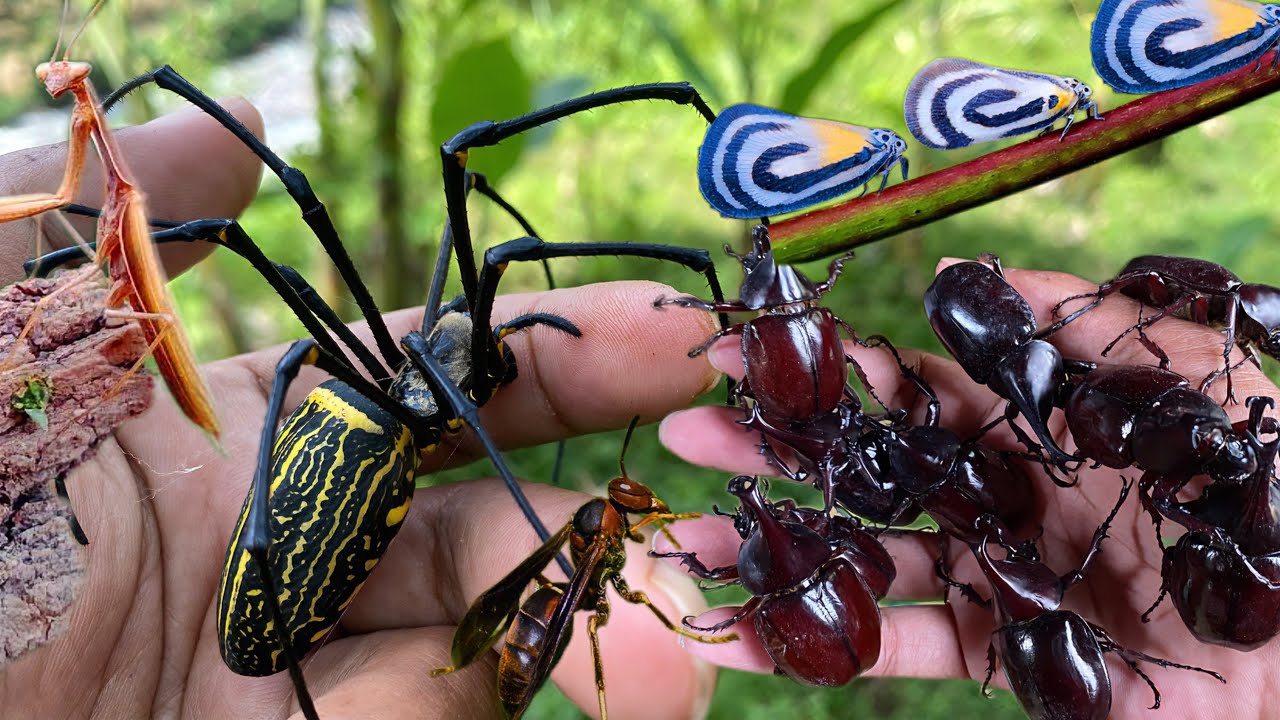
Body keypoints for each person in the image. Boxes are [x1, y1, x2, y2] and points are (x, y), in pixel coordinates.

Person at [0, 99, 1272, 719]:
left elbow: (298, 358)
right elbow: (285, 357)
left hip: (321, 480)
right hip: (315, 487)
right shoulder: (340, 391)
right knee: (285, 261)